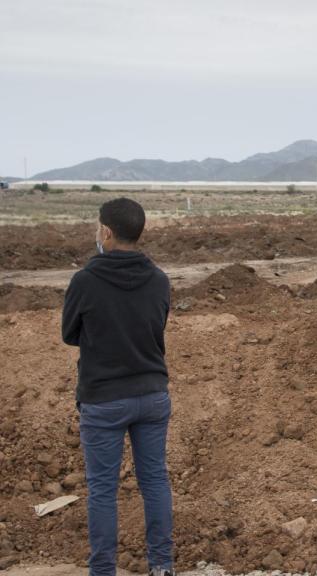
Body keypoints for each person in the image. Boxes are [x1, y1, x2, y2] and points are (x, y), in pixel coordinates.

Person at [61, 198, 173, 576]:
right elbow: (156, 325)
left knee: (103, 490)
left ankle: (103, 570)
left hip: (103, 399)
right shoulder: (159, 279)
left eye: (98, 227)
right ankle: (162, 566)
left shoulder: (84, 281)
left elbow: (69, 334)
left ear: (106, 232)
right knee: (155, 481)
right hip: (153, 395)